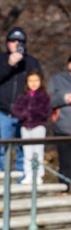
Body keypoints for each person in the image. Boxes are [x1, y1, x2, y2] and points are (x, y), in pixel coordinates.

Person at [0, 27, 41, 174]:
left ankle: (21, 175)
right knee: (2, 145)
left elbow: (37, 84)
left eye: (20, 41)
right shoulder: (0, 58)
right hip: (2, 110)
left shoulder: (31, 62)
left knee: (22, 145)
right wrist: (10, 64)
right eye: (12, 40)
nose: (16, 43)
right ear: (7, 43)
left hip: (24, 112)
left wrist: (32, 103)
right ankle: (2, 174)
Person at [11, 70, 51, 185]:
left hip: (38, 126)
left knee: (37, 152)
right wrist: (25, 115)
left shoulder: (44, 96)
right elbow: (16, 110)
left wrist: (31, 113)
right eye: (30, 81)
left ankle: (38, 175)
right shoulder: (23, 96)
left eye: (36, 80)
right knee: (27, 152)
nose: (33, 83)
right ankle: (28, 174)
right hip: (25, 127)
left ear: (41, 81)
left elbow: (45, 111)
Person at [48, 54, 71, 192]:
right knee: (65, 162)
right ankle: (64, 188)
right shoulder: (57, 80)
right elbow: (47, 101)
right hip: (63, 128)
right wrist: (64, 99)